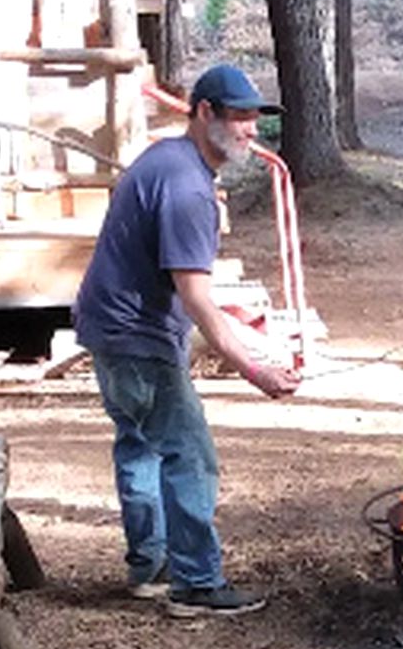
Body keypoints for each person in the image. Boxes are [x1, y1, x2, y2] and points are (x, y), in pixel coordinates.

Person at [74, 63, 301, 617]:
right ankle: (197, 583)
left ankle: (150, 565)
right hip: (135, 337)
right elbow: (197, 298)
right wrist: (256, 370)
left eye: (254, 119)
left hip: (106, 326)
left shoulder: (169, 160)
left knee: (140, 444)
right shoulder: (186, 188)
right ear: (204, 113)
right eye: (239, 117)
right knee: (188, 453)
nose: (250, 129)